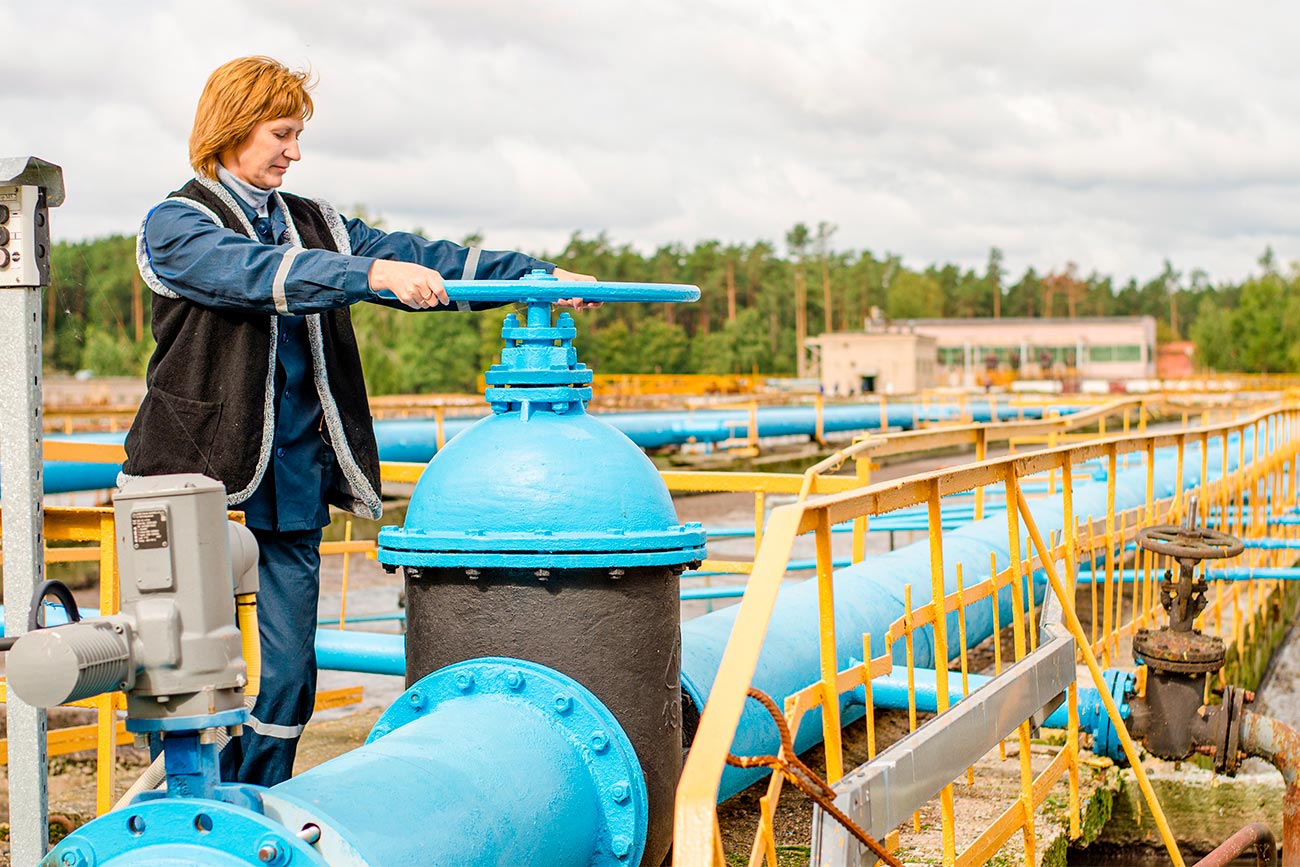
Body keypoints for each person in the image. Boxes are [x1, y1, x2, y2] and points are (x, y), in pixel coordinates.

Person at [121, 56, 594, 787]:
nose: (295, 151)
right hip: (194, 478)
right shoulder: (177, 223)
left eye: (298, 135)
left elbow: (421, 259)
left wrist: (534, 276)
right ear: (234, 126)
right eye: (282, 133)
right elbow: (255, 274)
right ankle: (183, 803)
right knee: (185, 674)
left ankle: (257, 798)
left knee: (288, 678)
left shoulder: (317, 223)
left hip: (292, 476)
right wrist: (367, 278)